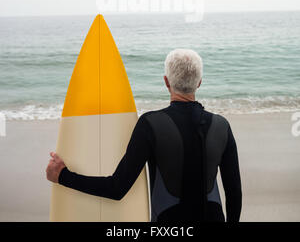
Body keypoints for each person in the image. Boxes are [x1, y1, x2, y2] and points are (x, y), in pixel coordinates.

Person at [46, 49, 242, 222]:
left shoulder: (151, 124)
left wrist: (63, 176)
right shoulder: (221, 126)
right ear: (199, 82)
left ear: (166, 81)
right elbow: (234, 194)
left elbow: (117, 188)